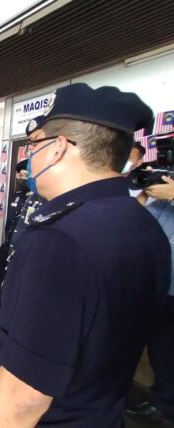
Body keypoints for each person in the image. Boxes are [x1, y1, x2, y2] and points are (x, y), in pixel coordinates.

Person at [0, 83, 170, 428]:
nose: (30, 157)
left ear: (58, 147)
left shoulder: (58, 240)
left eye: (35, 144)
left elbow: (23, 397)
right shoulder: (144, 226)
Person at [126, 140, 174, 422]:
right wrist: (147, 191)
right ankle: (162, 398)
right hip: (158, 282)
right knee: (159, 345)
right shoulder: (162, 193)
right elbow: (135, 217)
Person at [0, 115, 47, 289]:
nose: (31, 149)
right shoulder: (19, 196)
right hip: (10, 249)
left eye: (36, 142)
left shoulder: (47, 198)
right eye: (31, 144)